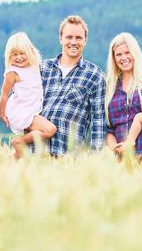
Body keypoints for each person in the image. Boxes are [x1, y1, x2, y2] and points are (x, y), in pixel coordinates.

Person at [39, 15, 105, 156]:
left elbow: (99, 120)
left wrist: (96, 158)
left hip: (66, 155)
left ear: (85, 40)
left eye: (78, 38)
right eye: (69, 37)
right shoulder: (42, 68)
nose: (73, 42)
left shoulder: (95, 75)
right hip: (33, 151)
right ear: (60, 39)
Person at [0, 32, 57, 158]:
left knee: (25, 155)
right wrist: (2, 113)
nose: (19, 57)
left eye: (22, 53)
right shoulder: (12, 73)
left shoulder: (34, 66)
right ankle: (19, 141)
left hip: (32, 109)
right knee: (50, 130)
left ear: (30, 52)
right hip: (23, 111)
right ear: (9, 56)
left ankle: (11, 160)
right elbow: (4, 95)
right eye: (14, 54)